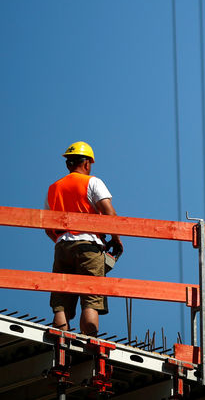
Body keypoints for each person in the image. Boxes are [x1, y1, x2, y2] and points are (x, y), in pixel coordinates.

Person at [45, 141, 123, 336]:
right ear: (87, 163)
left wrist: (64, 241)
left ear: (68, 164)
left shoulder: (54, 188)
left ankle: (60, 343)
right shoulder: (93, 182)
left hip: (62, 246)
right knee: (91, 299)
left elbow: (47, 227)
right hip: (89, 246)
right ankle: (89, 342)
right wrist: (116, 239)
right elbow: (109, 213)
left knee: (61, 302)